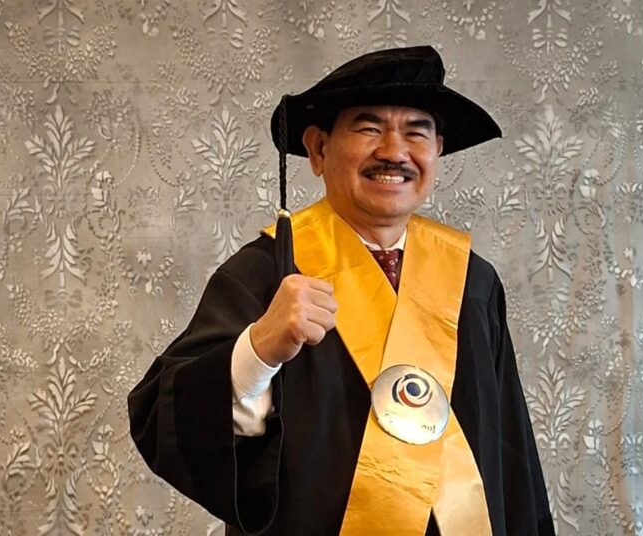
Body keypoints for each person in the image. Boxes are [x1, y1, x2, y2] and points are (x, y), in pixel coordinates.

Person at [128, 46, 554, 535]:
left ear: (437, 149)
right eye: (369, 128)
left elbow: (509, 451)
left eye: (416, 131)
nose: (394, 151)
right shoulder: (265, 273)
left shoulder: (473, 281)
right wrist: (258, 350)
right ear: (318, 149)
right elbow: (166, 422)